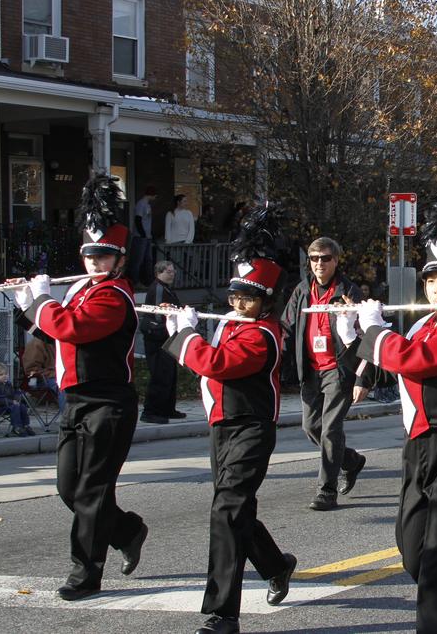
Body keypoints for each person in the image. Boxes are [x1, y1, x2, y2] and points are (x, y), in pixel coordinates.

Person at [345, 192, 437, 633]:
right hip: (419, 448)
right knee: (413, 551)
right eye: (432, 281)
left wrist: (374, 331)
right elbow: (391, 360)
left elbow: (417, 360)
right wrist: (352, 334)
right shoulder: (422, 324)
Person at [9, 174, 148, 601]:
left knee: (91, 491)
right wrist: (27, 308)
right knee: (70, 488)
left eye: (104, 256)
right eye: (90, 255)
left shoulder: (114, 296)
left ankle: (85, 572)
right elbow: (53, 333)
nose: (94, 263)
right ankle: (127, 530)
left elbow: (73, 328)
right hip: (77, 401)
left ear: (119, 260)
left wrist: (41, 304)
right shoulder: (78, 291)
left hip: (109, 402)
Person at [164, 205, 298, 634]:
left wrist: (183, 334)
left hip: (252, 429)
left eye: (248, 298)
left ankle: (223, 613)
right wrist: (178, 326)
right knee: (236, 509)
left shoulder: (263, 336)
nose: (238, 304)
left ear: (266, 302)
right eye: (235, 296)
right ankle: (277, 565)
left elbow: (216, 364)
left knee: (226, 511)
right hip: (223, 428)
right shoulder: (232, 324)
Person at [280, 237, 367, 511]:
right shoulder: (302, 290)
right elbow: (286, 327)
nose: (319, 263)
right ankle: (351, 461)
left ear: (336, 260)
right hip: (311, 369)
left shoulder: (349, 291)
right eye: (314, 258)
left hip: (338, 369)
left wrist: (363, 378)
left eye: (325, 258)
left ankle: (326, 491)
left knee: (330, 429)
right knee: (311, 427)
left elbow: (367, 334)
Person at [140, 261, 185, 424]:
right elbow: (159, 313)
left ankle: (167, 408)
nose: (172, 274)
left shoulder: (165, 288)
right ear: (158, 273)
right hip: (158, 336)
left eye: (173, 271)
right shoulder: (158, 288)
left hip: (167, 335)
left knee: (169, 373)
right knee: (160, 373)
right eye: (168, 271)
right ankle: (151, 411)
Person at [0, 362, 34, 437]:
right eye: (1, 375)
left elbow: (13, 394)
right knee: (15, 406)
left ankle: (25, 425)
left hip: (8, 405)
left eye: (6, 374)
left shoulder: (7, 384)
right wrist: (11, 402)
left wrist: (21, 396)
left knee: (22, 406)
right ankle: (17, 427)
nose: (4, 376)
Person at [22, 334, 66, 414]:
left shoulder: (58, 341)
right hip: (39, 380)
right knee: (64, 387)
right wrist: (56, 374)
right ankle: (68, 420)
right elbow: (31, 370)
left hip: (56, 376)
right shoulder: (36, 343)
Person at [129, 186, 157, 286]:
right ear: (152, 194)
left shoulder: (148, 205)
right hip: (140, 237)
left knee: (148, 260)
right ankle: (134, 281)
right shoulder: (141, 204)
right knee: (138, 260)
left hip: (147, 237)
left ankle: (148, 281)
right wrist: (142, 233)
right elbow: (138, 220)